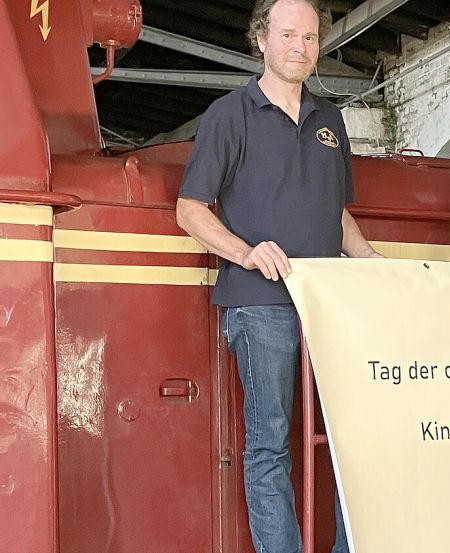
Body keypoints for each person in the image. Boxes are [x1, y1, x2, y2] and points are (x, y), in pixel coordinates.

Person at [175, 1, 379, 551]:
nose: (300, 46)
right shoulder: (229, 114)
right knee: (270, 446)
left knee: (348, 441)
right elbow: (190, 209)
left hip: (328, 304)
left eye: (311, 37)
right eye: (288, 34)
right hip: (259, 304)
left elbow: (336, 213)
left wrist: (368, 259)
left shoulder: (330, 120)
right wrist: (244, 253)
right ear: (261, 39)